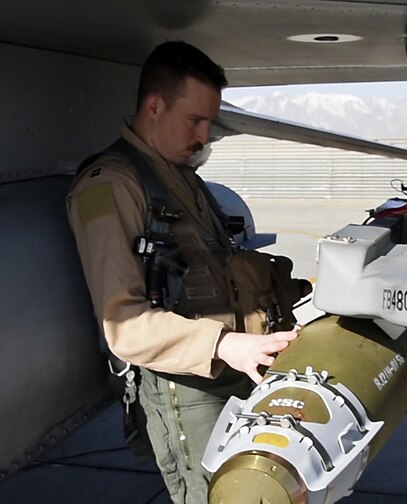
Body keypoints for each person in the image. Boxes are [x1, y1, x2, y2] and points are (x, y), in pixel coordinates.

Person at [67, 41, 300, 502]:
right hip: (190, 395)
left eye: (210, 122)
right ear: (154, 106)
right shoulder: (111, 186)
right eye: (194, 120)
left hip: (233, 370)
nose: (205, 136)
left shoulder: (179, 176)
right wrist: (225, 344)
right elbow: (124, 326)